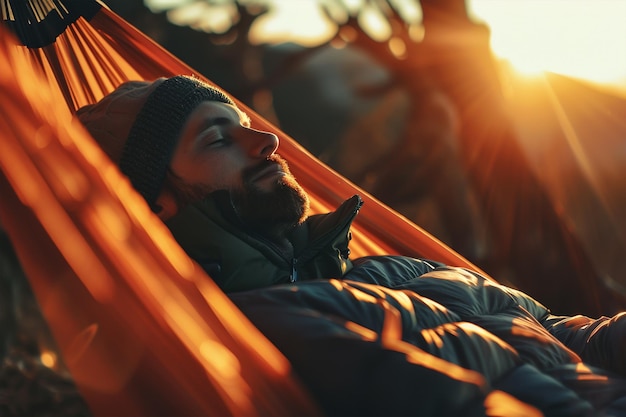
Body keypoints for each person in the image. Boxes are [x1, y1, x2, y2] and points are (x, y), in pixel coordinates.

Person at [77, 75, 626, 416]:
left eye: (246, 124)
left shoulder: (389, 268)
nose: (266, 139)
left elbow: (557, 332)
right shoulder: (253, 328)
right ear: (153, 206)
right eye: (219, 138)